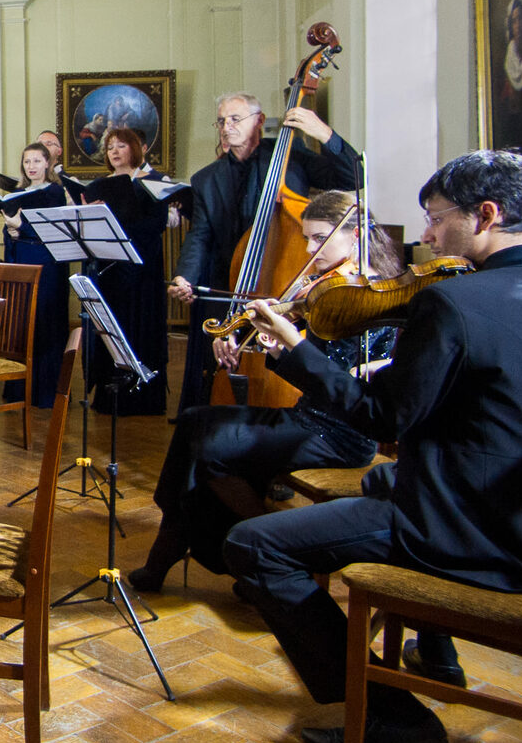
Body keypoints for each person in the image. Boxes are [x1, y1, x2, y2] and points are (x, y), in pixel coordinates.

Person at [222, 150, 522, 743]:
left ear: (486, 214)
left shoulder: (454, 306)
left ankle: (393, 716)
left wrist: (295, 349)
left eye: (436, 218)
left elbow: (382, 417)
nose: (425, 235)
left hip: (459, 530)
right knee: (379, 481)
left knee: (254, 547)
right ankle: (433, 654)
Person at [128, 190, 401, 592]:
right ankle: (194, 545)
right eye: (307, 237)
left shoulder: (375, 295)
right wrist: (275, 347)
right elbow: (312, 373)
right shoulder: (328, 287)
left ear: (356, 234)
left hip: (340, 434)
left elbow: (344, 388)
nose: (309, 248)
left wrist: (294, 343)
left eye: (319, 238)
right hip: (308, 418)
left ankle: (250, 549)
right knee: (193, 422)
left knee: (206, 452)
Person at [169, 93, 360, 416]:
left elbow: (353, 176)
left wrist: (324, 134)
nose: (226, 127)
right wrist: (184, 274)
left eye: (235, 119)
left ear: (259, 121)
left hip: (281, 280)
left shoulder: (289, 157)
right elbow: (200, 234)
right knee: (216, 362)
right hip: (229, 282)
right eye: (221, 121)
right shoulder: (205, 179)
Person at [79, 129, 173, 415]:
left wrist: (116, 220)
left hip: (143, 268)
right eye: (109, 147)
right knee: (112, 328)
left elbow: (155, 225)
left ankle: (144, 398)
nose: (115, 151)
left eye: (121, 146)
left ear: (135, 149)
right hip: (111, 269)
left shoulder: (154, 182)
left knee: (141, 327)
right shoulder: (98, 185)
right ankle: (110, 397)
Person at [0, 141, 71, 398]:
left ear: (48, 163)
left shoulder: (55, 192)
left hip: (47, 263)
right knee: (22, 321)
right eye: (27, 161)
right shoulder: (17, 192)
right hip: (22, 259)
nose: (31, 166)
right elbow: (12, 232)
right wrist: (12, 230)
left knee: (46, 321)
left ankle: (46, 392)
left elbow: (55, 232)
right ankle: (20, 389)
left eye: (37, 161)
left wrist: (24, 227)